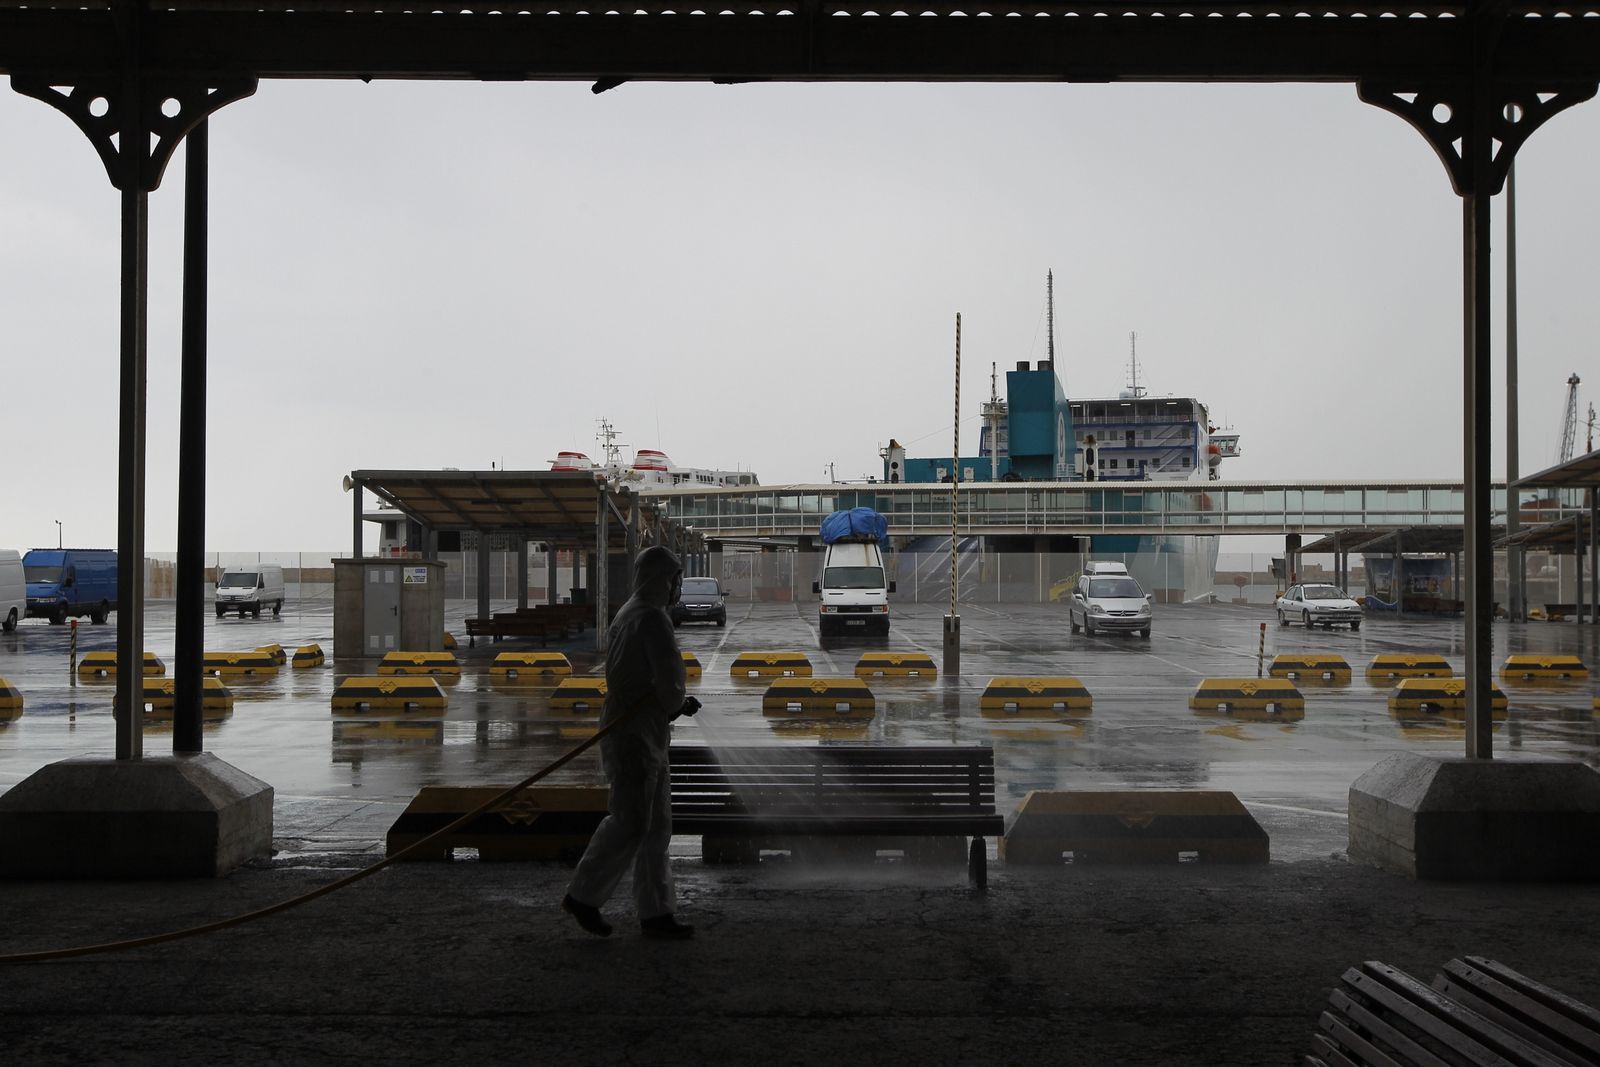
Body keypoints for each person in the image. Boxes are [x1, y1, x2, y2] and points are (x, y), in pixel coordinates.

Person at [563, 545, 700, 939]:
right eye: (674, 579)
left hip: (639, 727)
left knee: (655, 826)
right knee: (631, 821)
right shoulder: (652, 619)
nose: (677, 587)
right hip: (635, 733)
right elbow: (670, 679)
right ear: (662, 579)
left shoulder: (629, 612)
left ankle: (656, 913)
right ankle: (583, 897)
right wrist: (678, 704)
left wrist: (668, 706)